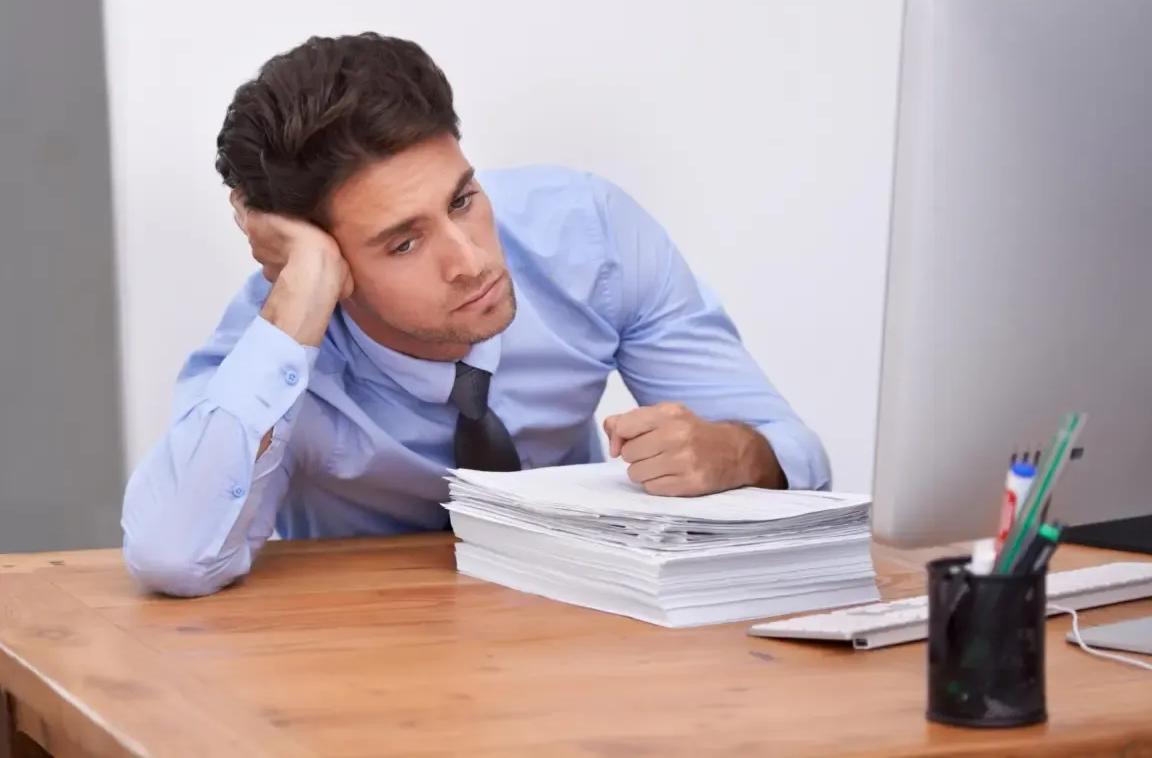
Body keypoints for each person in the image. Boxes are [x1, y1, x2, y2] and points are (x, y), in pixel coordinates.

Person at [120, 32, 831, 598]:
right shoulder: (277, 350)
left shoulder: (587, 238)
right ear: (327, 264)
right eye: (403, 242)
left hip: (578, 625)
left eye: (462, 200)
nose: (469, 261)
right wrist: (300, 297)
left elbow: (798, 453)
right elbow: (173, 557)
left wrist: (737, 454)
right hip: (360, 660)